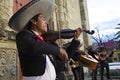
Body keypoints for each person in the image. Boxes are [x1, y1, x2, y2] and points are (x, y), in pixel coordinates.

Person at [8, 0, 68, 80]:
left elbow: (59, 62)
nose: (46, 22)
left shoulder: (43, 40)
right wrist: (58, 50)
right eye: (42, 19)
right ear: (34, 21)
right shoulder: (23, 36)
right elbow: (35, 46)